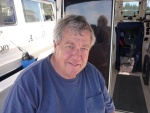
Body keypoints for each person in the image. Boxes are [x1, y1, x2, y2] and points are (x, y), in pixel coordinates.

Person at [2, 15, 115, 113]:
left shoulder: (93, 74)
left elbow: (109, 109)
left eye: (84, 48)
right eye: (70, 46)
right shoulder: (28, 83)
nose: (77, 56)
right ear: (55, 46)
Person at [88, 15, 111, 87]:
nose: (101, 24)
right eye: (101, 22)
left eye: (103, 22)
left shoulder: (107, 32)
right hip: (99, 62)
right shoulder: (107, 31)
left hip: (101, 62)